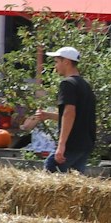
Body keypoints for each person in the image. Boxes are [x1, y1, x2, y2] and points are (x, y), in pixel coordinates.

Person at [47, 46, 97, 174]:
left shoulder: (67, 84)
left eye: (57, 61)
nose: (55, 66)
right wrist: (48, 115)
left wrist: (62, 144)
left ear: (67, 62)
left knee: (51, 169)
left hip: (72, 143)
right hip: (85, 144)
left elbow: (69, 113)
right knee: (74, 186)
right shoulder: (85, 85)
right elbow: (78, 115)